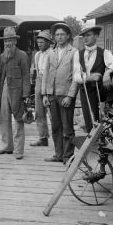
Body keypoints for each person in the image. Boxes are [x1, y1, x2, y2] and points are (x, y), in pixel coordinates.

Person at [42, 22, 79, 164]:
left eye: (62, 34)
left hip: (65, 95)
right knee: (56, 126)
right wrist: (45, 95)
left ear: (68, 36)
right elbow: (45, 74)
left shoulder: (73, 52)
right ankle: (58, 154)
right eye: (57, 34)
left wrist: (70, 96)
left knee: (67, 127)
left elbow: (76, 76)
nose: (59, 37)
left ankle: (68, 156)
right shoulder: (51, 53)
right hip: (52, 95)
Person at [0, 27, 31, 159]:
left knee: (19, 119)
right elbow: (0, 76)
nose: (8, 43)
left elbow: (26, 76)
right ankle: (7, 146)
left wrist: (26, 95)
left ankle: (19, 150)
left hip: (18, 92)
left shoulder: (22, 56)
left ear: (15, 41)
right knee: (3, 119)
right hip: (4, 90)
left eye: (10, 40)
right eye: (6, 41)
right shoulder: (2, 56)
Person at [72, 26, 113, 133]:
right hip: (85, 89)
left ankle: (103, 140)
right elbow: (76, 75)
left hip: (100, 89)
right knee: (89, 117)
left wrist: (107, 72)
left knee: (101, 116)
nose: (85, 38)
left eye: (88, 35)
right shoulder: (78, 54)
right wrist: (89, 78)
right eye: (84, 36)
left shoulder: (104, 52)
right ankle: (92, 143)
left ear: (96, 36)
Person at [29, 30, 53, 147]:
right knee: (39, 112)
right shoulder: (37, 55)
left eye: (42, 42)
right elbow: (36, 71)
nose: (39, 44)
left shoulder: (53, 53)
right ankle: (43, 138)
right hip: (39, 81)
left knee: (53, 113)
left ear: (48, 42)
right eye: (38, 42)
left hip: (50, 82)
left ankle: (60, 140)